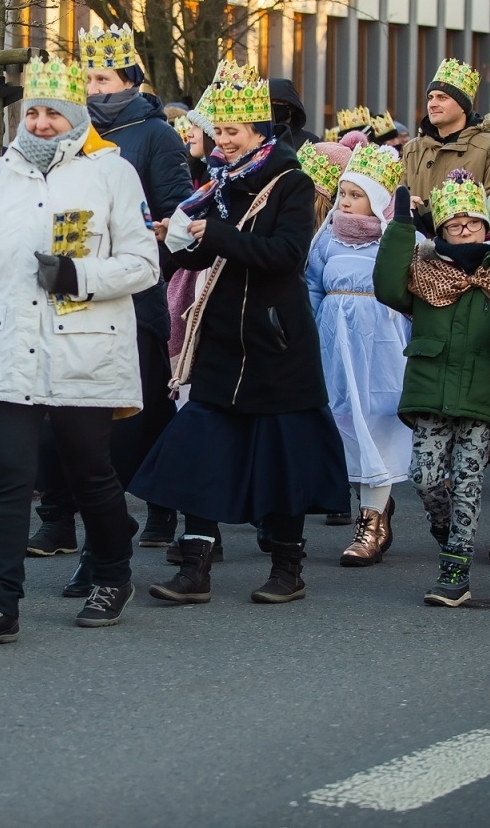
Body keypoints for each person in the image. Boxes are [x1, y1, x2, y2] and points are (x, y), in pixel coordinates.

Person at [0, 56, 158, 647]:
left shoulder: (112, 173)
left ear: (75, 117)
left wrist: (78, 276)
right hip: (9, 347)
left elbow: (144, 265)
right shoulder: (0, 176)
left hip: (84, 350)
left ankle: (113, 570)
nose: (38, 123)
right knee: (10, 477)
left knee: (88, 471)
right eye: (31, 112)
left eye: (52, 114)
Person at [131, 71, 348, 607]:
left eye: (232, 131)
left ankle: (287, 567)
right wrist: (175, 239)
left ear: (258, 132)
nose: (221, 140)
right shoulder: (220, 183)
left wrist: (218, 233)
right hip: (225, 338)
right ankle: (196, 567)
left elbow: (286, 256)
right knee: (202, 449)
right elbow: (205, 256)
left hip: (276, 342)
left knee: (283, 457)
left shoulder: (291, 182)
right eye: (218, 131)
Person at [27, 25, 191, 581]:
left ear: (127, 80)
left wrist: (137, 268)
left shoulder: (154, 137)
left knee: (127, 422)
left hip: (130, 300)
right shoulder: (69, 137)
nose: (93, 89)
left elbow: (173, 219)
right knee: (60, 420)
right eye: (88, 79)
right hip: (63, 297)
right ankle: (61, 518)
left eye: (102, 78)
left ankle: (149, 513)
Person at [374, 172, 490, 605]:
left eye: (472, 223)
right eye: (453, 225)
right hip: (431, 388)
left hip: (482, 389)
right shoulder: (424, 270)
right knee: (423, 476)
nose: (464, 232)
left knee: (470, 480)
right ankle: (446, 527)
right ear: (439, 229)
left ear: (486, 224)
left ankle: (455, 569)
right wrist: (401, 224)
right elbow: (385, 286)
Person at [306, 143, 412, 565]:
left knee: (378, 424)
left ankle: (369, 523)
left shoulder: (400, 238)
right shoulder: (326, 238)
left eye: (356, 195)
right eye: (343, 193)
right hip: (335, 340)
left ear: (379, 200)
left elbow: (413, 289)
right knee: (344, 423)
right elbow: (313, 285)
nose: (346, 202)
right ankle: (376, 504)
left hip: (382, 342)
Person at [400, 58, 490, 236]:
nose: (432, 104)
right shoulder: (412, 149)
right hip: (416, 248)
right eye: (430, 97)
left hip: (468, 251)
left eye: (442, 97)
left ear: (463, 106)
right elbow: (395, 196)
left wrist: (459, 221)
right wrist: (404, 205)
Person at [270, 77, 315, 151]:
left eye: (279, 102)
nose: (273, 106)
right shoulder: (257, 140)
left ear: (292, 107)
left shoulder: (308, 142)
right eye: (269, 103)